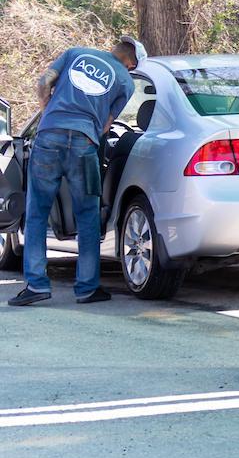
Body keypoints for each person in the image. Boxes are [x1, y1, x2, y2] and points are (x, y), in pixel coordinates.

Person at [8, 37, 142, 307]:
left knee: (36, 214)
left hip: (48, 139)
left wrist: (48, 112)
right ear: (132, 63)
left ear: (115, 49)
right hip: (84, 145)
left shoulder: (75, 53)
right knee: (88, 217)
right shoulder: (126, 81)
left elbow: (43, 82)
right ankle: (87, 288)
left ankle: (36, 285)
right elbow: (106, 125)